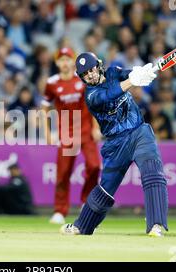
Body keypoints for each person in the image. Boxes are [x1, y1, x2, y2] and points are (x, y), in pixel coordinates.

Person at [60, 52, 168, 237]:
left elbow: (126, 73)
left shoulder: (111, 72)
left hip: (139, 132)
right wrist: (132, 81)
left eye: (92, 69)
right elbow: (110, 95)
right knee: (105, 190)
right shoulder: (91, 96)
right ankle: (82, 226)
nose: (90, 75)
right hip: (115, 144)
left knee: (153, 173)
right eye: (85, 74)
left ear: (99, 66)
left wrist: (141, 72)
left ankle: (155, 225)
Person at [42, 47, 101, 224]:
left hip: (85, 132)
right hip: (66, 135)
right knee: (63, 172)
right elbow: (44, 108)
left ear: (73, 61)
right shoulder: (52, 83)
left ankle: (86, 202)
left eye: (68, 59)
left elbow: (93, 103)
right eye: (62, 60)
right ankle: (60, 211)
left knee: (95, 166)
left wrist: (95, 128)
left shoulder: (82, 78)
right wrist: (47, 132)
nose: (65, 63)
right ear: (57, 63)